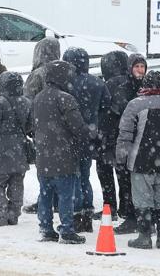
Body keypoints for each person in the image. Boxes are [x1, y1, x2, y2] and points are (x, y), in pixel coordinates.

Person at [116, 70, 160, 250]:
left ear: (144, 85)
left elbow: (125, 135)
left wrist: (121, 157)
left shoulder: (134, 105)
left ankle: (144, 237)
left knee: (142, 201)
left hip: (141, 162)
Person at [32, 60, 89, 245]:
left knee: (45, 195)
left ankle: (46, 229)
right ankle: (66, 230)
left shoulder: (38, 98)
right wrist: (86, 136)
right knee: (66, 195)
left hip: (43, 155)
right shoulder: (65, 98)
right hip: (63, 155)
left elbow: (31, 125)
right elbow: (78, 127)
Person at [64, 46, 108, 232]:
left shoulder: (66, 82)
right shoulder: (97, 83)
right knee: (85, 176)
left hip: (70, 135)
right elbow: (106, 105)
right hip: (90, 134)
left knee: (73, 176)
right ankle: (87, 213)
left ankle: (77, 214)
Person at [0, 71, 33, 226]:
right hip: (20, 148)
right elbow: (30, 126)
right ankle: (13, 215)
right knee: (17, 182)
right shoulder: (26, 102)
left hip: (1, 149)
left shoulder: (0, 102)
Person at [108, 53, 145, 232]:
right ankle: (130, 215)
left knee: (140, 182)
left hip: (144, 142)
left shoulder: (148, 87)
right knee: (126, 181)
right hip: (127, 140)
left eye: (142, 67)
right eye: (137, 66)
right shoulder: (123, 88)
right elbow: (118, 114)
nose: (140, 70)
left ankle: (139, 217)